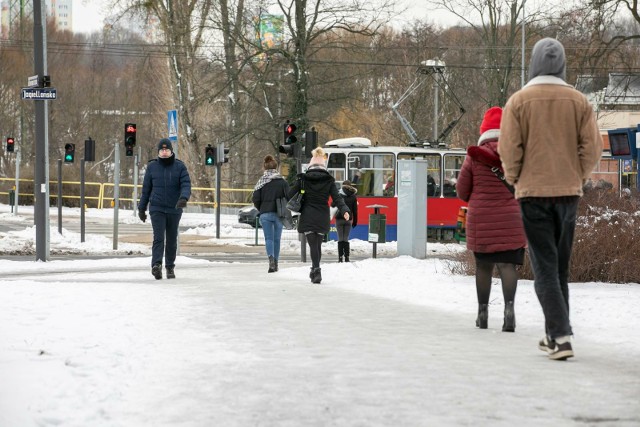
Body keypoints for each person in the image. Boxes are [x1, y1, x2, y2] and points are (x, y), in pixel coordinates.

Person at [499, 38, 602, 360]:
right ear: (562, 65)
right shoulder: (579, 101)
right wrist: (579, 176)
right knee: (559, 268)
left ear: (533, 64)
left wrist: (516, 179)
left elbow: (509, 149)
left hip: (532, 194)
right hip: (568, 194)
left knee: (544, 268)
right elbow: (593, 147)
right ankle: (553, 336)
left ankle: (560, 336)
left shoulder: (519, 101)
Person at [456, 106, 527, 333]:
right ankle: (509, 312)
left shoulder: (474, 157)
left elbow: (461, 191)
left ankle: (483, 313)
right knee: (508, 266)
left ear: (484, 130)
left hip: (482, 219)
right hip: (511, 219)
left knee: (484, 267)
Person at [289, 147, 350, 284]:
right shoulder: (329, 181)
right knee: (318, 245)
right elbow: (338, 198)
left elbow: (289, 194)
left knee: (313, 245)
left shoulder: (303, 180)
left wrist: (299, 189)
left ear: (310, 165)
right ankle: (315, 269)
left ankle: (316, 271)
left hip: (308, 214)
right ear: (323, 166)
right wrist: (345, 210)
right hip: (322, 215)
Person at [138, 138, 192, 280]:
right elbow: (146, 190)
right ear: (158, 152)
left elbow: (186, 184)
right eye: (162, 150)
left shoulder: (180, 167)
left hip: (174, 208)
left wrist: (183, 198)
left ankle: (170, 266)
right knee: (159, 237)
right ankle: (156, 265)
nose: (164, 152)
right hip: (157, 208)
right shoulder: (152, 167)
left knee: (172, 238)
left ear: (171, 151)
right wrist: (141, 208)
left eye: (166, 149)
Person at [252, 155, 290, 273]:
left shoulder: (261, 182)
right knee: (277, 239)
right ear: (276, 167)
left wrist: (262, 208)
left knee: (269, 239)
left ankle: (271, 262)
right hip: (279, 214)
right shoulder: (282, 182)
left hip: (265, 213)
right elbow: (288, 196)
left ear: (265, 167)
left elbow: (255, 198)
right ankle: (276, 263)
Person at [332, 179, 358, 262]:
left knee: (340, 238)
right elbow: (355, 210)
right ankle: (347, 257)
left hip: (339, 219)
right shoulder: (353, 196)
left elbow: (332, 205)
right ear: (350, 186)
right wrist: (355, 221)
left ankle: (340, 258)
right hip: (348, 220)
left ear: (342, 186)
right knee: (346, 238)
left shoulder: (339, 195)